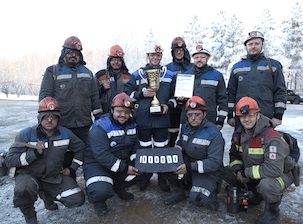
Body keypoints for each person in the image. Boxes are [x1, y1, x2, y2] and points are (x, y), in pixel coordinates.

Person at [4, 97, 85, 224]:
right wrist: (34, 153)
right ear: (40, 117)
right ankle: (30, 216)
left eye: (54, 116)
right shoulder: (26, 134)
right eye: (46, 116)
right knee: (23, 191)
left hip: (52, 176)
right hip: (29, 175)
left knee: (76, 199)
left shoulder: (65, 134)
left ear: (58, 119)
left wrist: (73, 168)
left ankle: (47, 195)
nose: (49, 119)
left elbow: (80, 148)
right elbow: (10, 159)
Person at [224, 97, 295, 224]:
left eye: (251, 115)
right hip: (254, 171)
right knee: (225, 171)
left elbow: (273, 169)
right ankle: (253, 194)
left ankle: (272, 212)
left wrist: (246, 173)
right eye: (242, 116)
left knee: (267, 185)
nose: (246, 119)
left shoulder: (270, 137)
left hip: (279, 174)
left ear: (258, 115)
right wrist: (238, 170)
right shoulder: (239, 134)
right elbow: (234, 156)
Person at [39, 36, 102, 176]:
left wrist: (98, 117)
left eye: (76, 53)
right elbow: (44, 97)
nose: (73, 55)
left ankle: (93, 182)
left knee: (88, 154)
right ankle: (68, 183)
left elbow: (94, 97)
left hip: (84, 125)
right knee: (64, 156)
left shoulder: (88, 73)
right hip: (62, 125)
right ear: (64, 53)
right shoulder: (53, 71)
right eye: (70, 52)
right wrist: (45, 121)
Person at [125, 41, 176, 192]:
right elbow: (127, 94)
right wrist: (141, 94)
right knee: (144, 150)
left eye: (158, 54)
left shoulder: (169, 74)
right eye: (152, 54)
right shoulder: (137, 74)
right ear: (147, 56)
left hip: (162, 119)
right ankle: (144, 176)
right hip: (144, 119)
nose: (155, 57)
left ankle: (163, 178)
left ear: (161, 56)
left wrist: (169, 106)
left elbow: (175, 96)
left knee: (162, 150)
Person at [83, 92, 139, 216]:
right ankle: (98, 201)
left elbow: (136, 147)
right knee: (100, 190)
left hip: (118, 162)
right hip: (97, 165)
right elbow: (102, 156)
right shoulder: (100, 127)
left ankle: (118, 186)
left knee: (142, 172)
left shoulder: (132, 125)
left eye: (127, 111)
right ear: (112, 110)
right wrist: (125, 168)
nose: (123, 115)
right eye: (119, 111)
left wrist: (134, 163)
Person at [174, 96, 225, 210]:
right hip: (191, 164)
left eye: (197, 114)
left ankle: (211, 191)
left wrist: (189, 167)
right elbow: (180, 142)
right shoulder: (186, 127)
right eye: (190, 114)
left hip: (208, 170)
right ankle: (180, 191)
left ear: (204, 114)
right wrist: (176, 154)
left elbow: (214, 162)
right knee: (168, 166)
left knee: (197, 199)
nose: (193, 118)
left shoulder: (214, 133)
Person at [227, 31, 287, 128]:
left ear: (262, 45)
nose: (253, 46)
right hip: (242, 116)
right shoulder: (237, 67)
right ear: (246, 46)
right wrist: (230, 115)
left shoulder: (273, 66)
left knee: (264, 142)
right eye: (250, 44)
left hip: (265, 116)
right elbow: (231, 93)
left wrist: (278, 115)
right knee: (240, 142)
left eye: (257, 43)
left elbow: (280, 91)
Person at [180, 44, 228, 130]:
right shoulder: (186, 76)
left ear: (207, 58)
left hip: (209, 119)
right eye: (196, 57)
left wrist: (220, 120)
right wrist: (180, 99)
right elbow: (180, 100)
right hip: (188, 119)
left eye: (202, 57)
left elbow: (223, 99)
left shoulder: (216, 76)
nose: (199, 60)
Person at [166, 37, 194, 147]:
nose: (178, 53)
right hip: (173, 107)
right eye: (176, 51)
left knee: (188, 133)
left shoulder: (192, 67)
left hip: (190, 105)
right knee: (172, 133)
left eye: (181, 50)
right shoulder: (167, 68)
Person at [95, 45, 132, 114]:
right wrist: (102, 88)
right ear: (109, 60)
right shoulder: (100, 75)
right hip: (105, 112)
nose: (116, 62)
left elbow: (132, 94)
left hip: (123, 113)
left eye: (118, 60)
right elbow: (93, 94)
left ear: (122, 62)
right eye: (113, 60)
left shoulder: (128, 77)